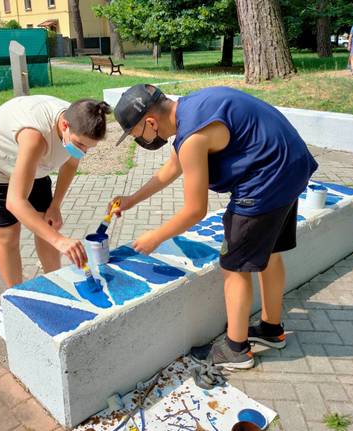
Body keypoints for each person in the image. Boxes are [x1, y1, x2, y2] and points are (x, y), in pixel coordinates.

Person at [109, 84, 318, 369]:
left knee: (234, 266)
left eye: (137, 136)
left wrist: (155, 237)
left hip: (266, 180)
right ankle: (271, 330)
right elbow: (172, 168)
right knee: (269, 253)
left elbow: (195, 210)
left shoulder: (193, 137)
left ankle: (236, 349)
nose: (141, 142)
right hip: (290, 164)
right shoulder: (191, 109)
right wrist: (131, 200)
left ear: (150, 122)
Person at [0, 96, 111, 287]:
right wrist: (60, 241)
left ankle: (56, 282)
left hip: (33, 162)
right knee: (8, 234)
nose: (84, 151)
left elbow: (70, 165)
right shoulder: (35, 136)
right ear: (64, 125)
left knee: (48, 223)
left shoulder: (79, 124)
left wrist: (55, 205)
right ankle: (17, 293)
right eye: (80, 145)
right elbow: (15, 202)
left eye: (89, 147)